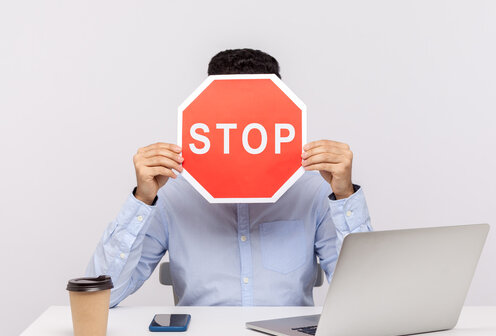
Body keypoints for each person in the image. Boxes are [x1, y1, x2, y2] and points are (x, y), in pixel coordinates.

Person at [86, 48, 372, 307]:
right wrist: (142, 198)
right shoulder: (173, 193)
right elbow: (102, 296)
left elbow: (364, 300)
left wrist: (345, 196)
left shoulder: (312, 191)